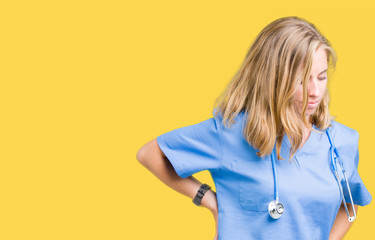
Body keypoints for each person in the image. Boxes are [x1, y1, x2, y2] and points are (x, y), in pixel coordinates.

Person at [136, 16, 372, 240]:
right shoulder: (230, 133)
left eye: (321, 77)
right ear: (272, 78)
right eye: (301, 80)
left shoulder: (340, 142)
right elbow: (150, 154)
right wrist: (208, 200)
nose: (315, 91)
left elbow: (351, 200)